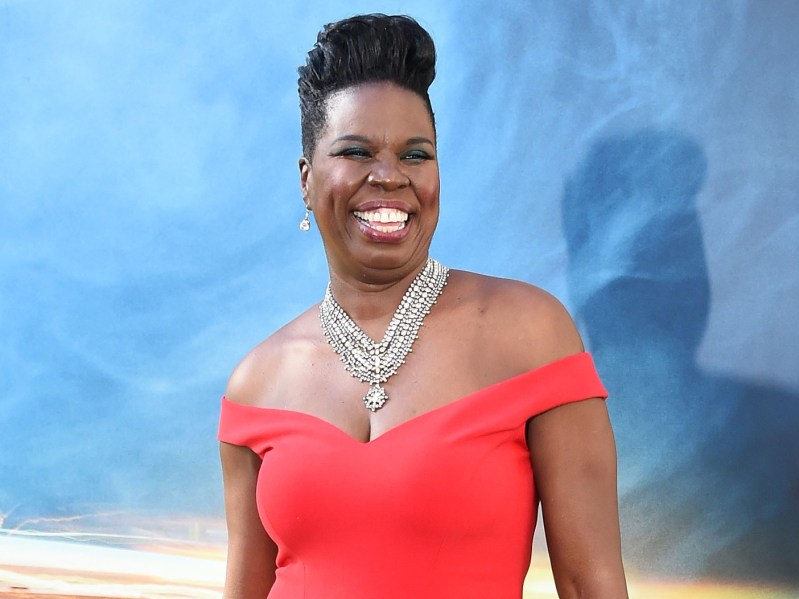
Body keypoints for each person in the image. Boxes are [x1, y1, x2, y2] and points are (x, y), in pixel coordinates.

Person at [218, 13, 627, 599]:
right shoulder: (255, 384)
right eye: (356, 151)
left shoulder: (530, 334)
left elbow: (592, 583)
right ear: (306, 180)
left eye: (416, 155)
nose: (390, 177)